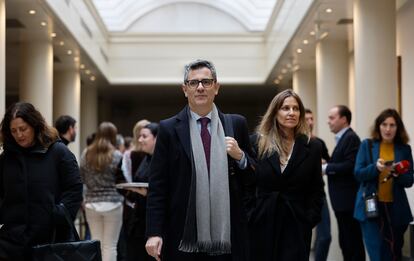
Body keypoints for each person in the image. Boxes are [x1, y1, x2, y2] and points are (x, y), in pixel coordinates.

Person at [145, 59, 255, 261]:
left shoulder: (236, 124)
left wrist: (241, 157)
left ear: (217, 87)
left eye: (207, 81)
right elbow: (158, 186)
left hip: (229, 232)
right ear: (185, 89)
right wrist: (154, 232)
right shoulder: (169, 129)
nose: (200, 87)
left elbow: (254, 179)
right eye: (193, 83)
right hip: (183, 231)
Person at [0, 102, 83, 260]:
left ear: (35, 125)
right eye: (13, 130)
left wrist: (59, 214)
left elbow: (74, 189)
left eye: (23, 129)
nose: (19, 135)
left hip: (51, 240)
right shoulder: (6, 158)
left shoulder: (58, 152)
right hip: (13, 241)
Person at [250, 90, 324, 260]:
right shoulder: (257, 142)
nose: (291, 113)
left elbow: (316, 188)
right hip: (263, 221)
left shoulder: (312, 147)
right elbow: (247, 184)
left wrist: (309, 218)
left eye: (296, 109)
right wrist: (251, 214)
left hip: (297, 223)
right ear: (275, 112)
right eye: (285, 108)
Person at [354, 109, 413, 261]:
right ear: (378, 127)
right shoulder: (367, 145)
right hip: (371, 207)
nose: (388, 129)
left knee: (394, 254)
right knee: (377, 254)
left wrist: (396, 173)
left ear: (398, 128)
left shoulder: (404, 149)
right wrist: (376, 168)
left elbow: (409, 180)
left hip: (396, 209)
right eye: (384, 124)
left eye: (392, 125)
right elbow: (358, 173)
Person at [323, 105, 365, 261]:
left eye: (332, 118)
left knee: (351, 243)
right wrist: (327, 163)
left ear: (344, 119)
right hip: (343, 202)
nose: (328, 122)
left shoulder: (351, 138)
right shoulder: (344, 138)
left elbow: (350, 165)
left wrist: (326, 168)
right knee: (346, 242)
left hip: (348, 201)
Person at [80, 122, 124, 261]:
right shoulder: (116, 155)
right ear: (113, 136)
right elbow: (122, 181)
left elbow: (81, 177)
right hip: (113, 204)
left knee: (96, 243)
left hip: (91, 203)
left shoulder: (86, 154)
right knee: (110, 246)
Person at [121, 123, 159, 261]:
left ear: (156, 138)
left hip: (153, 219)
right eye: (139, 136)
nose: (140, 140)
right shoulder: (146, 158)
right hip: (139, 217)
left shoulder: (162, 160)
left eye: (144, 136)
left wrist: (145, 193)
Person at [305, 109, 331, 261]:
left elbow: (330, 162)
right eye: (306, 119)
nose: (310, 122)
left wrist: (323, 164)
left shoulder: (318, 143)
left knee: (325, 236)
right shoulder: (294, 143)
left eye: (312, 119)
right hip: (299, 195)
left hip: (318, 193)